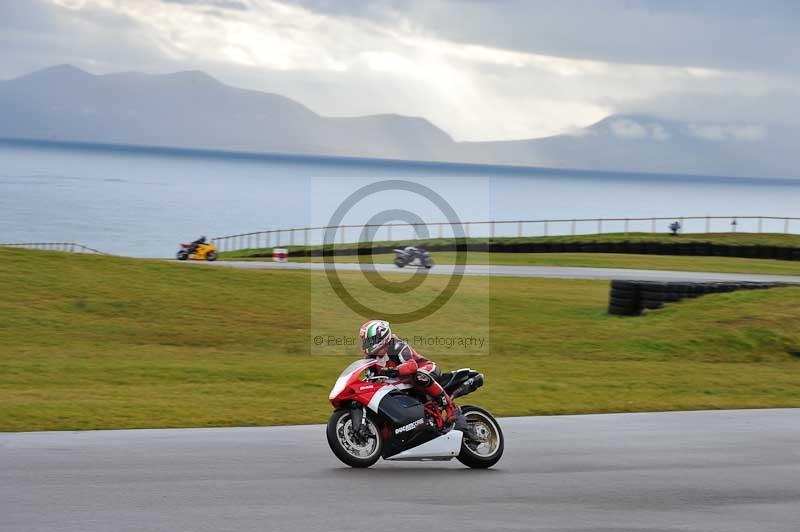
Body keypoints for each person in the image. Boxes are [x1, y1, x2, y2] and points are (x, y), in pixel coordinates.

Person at [359, 319, 457, 430]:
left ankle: (449, 406)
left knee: (419, 376)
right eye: (365, 341)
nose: (367, 344)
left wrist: (393, 371)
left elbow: (412, 365)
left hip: (425, 369)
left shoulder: (396, 346)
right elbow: (371, 378)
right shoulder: (370, 358)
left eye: (370, 341)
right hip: (403, 380)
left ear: (382, 337)